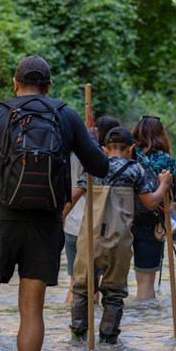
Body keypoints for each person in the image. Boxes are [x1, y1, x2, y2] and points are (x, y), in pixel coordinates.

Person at [0, 55, 109, 351]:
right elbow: (99, 167)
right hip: (45, 221)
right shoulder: (66, 115)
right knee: (31, 307)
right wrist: (92, 141)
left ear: (15, 83)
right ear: (48, 86)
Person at [67, 126, 173, 344]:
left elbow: (70, 200)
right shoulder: (135, 171)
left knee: (81, 289)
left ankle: (78, 337)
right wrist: (163, 185)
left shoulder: (92, 169)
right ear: (130, 149)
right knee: (114, 294)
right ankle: (108, 341)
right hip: (119, 240)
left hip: (90, 238)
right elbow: (151, 202)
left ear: (105, 149)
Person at [64, 115, 119, 304]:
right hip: (93, 226)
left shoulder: (71, 156)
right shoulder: (98, 160)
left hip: (71, 223)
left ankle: (67, 323)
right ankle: (91, 325)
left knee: (75, 282)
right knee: (96, 283)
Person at [130, 116, 176, 299]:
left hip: (124, 218)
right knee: (146, 282)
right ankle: (147, 322)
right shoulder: (165, 159)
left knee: (110, 276)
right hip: (153, 223)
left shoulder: (128, 153)